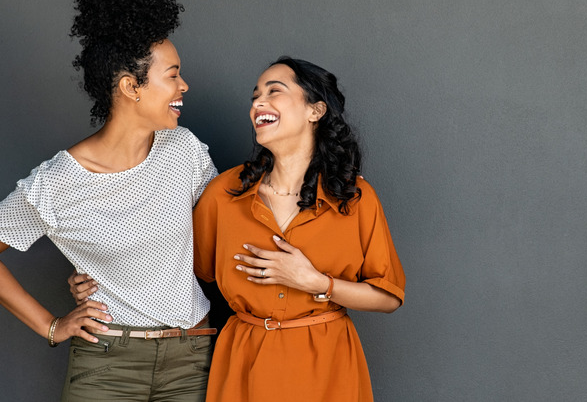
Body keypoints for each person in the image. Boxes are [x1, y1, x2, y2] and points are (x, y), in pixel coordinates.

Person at [72, 57, 406, 401]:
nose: (258, 103)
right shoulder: (224, 194)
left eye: (274, 92)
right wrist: (98, 276)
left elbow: (389, 297)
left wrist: (316, 283)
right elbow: (178, 266)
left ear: (315, 110)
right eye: (255, 96)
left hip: (328, 365)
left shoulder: (355, 198)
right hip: (244, 364)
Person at [0, 0, 218, 401]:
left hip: (193, 357)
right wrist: (51, 326)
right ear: (131, 87)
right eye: (172, 75)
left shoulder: (183, 150)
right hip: (107, 366)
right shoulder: (58, 182)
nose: (183, 86)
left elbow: (224, 230)